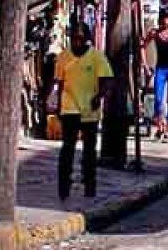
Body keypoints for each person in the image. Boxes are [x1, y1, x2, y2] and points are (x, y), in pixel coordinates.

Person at [52, 22, 114, 201]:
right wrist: (57, 106)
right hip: (69, 107)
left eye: (80, 38)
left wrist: (99, 96)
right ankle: (64, 186)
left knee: (89, 150)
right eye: (74, 38)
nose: (77, 42)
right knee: (67, 148)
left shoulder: (96, 57)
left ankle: (90, 185)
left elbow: (107, 80)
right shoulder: (63, 57)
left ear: (86, 39)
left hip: (89, 110)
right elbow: (59, 83)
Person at [142, 8, 168, 141]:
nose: (166, 20)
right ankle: (160, 126)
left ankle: (167, 129)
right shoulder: (155, 33)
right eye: (164, 17)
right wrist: (145, 65)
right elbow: (142, 45)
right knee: (158, 99)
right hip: (160, 69)